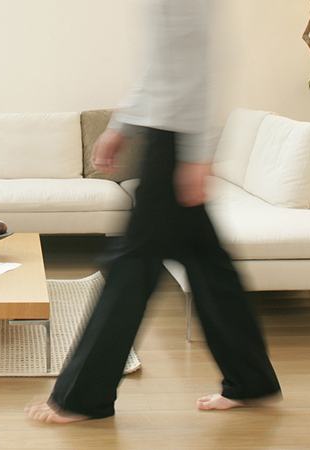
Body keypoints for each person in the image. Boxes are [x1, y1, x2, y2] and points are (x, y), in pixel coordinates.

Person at [26, 0, 281, 424]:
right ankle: (251, 381)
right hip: (166, 138)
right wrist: (120, 126)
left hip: (174, 145)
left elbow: (198, 64)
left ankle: (82, 397)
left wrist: (195, 154)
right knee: (207, 263)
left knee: (131, 264)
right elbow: (161, 68)